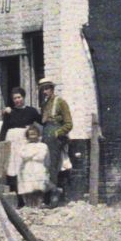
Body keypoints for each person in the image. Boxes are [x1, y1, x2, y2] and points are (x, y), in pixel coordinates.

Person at [37, 77, 73, 207]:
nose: (45, 91)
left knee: (53, 166)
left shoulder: (60, 102)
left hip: (55, 136)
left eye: (47, 88)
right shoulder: (44, 104)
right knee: (45, 166)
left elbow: (69, 124)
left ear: (52, 89)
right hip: (45, 135)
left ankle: (53, 198)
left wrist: (57, 133)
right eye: (43, 89)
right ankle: (46, 196)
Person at [0, 87, 40, 190]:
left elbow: (41, 121)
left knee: (25, 163)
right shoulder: (9, 112)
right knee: (13, 165)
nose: (17, 100)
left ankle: (29, 191)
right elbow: (4, 128)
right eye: (15, 98)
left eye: (19, 97)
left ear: (23, 97)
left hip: (25, 140)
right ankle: (16, 193)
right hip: (12, 141)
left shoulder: (31, 111)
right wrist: (2, 140)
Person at [15, 123, 50, 210]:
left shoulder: (43, 145)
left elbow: (40, 157)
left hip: (38, 168)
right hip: (27, 168)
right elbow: (23, 155)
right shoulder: (24, 146)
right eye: (30, 134)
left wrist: (30, 155)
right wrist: (34, 153)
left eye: (34, 134)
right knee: (28, 188)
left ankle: (38, 205)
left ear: (38, 134)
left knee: (38, 187)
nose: (32, 136)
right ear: (27, 135)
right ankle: (29, 206)